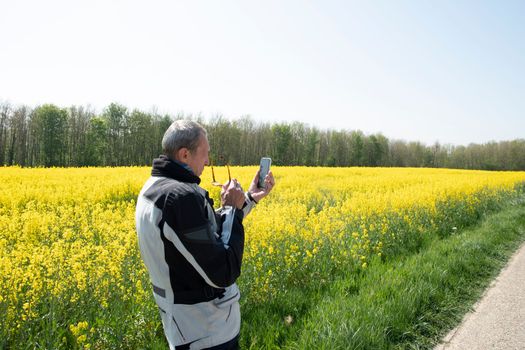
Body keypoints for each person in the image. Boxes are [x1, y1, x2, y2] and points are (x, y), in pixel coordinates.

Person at [135, 120, 275, 349]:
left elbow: (204, 233)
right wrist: (231, 207)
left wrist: (249, 198)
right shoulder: (179, 199)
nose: (208, 161)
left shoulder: (155, 188)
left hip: (187, 328)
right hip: (206, 330)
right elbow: (223, 271)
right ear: (184, 155)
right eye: (205, 154)